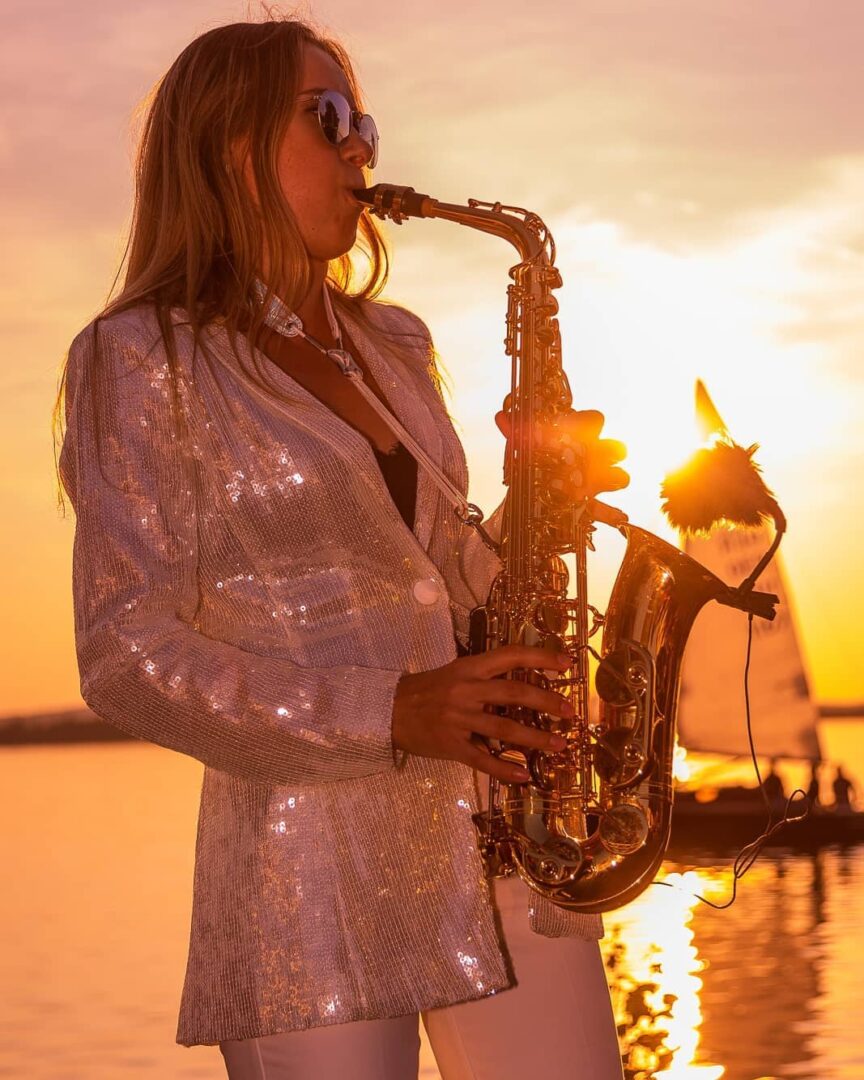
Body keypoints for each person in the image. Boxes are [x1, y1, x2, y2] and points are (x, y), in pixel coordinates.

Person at [57, 18, 628, 1080]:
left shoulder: (395, 343)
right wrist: (396, 713)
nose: (362, 146)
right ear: (228, 144)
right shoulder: (139, 358)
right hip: (305, 879)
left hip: (499, 836)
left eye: (361, 119)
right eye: (327, 120)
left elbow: (441, 579)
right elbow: (127, 656)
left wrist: (533, 512)